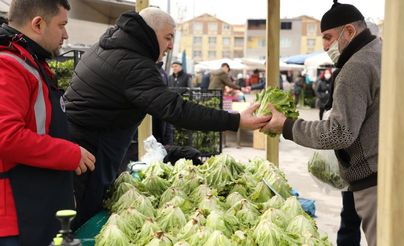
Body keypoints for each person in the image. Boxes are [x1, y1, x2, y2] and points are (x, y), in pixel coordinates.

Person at [64, 7, 270, 229]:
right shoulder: (132, 63)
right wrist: (235, 120)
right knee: (84, 221)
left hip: (84, 146)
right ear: (150, 33)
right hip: (91, 154)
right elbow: (175, 110)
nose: (171, 45)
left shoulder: (108, 47)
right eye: (168, 37)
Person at [261, 1, 381, 245]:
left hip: (373, 180)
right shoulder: (380, 51)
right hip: (392, 170)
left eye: (328, 37)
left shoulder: (355, 67)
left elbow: (339, 133)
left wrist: (287, 125)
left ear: (349, 31)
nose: (325, 46)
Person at [0, 1, 96, 245]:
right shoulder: (8, 65)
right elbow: (6, 136)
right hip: (18, 219)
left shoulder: (29, 62)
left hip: (36, 210)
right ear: (38, 24)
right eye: (62, 25)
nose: (66, 34)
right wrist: (69, 153)